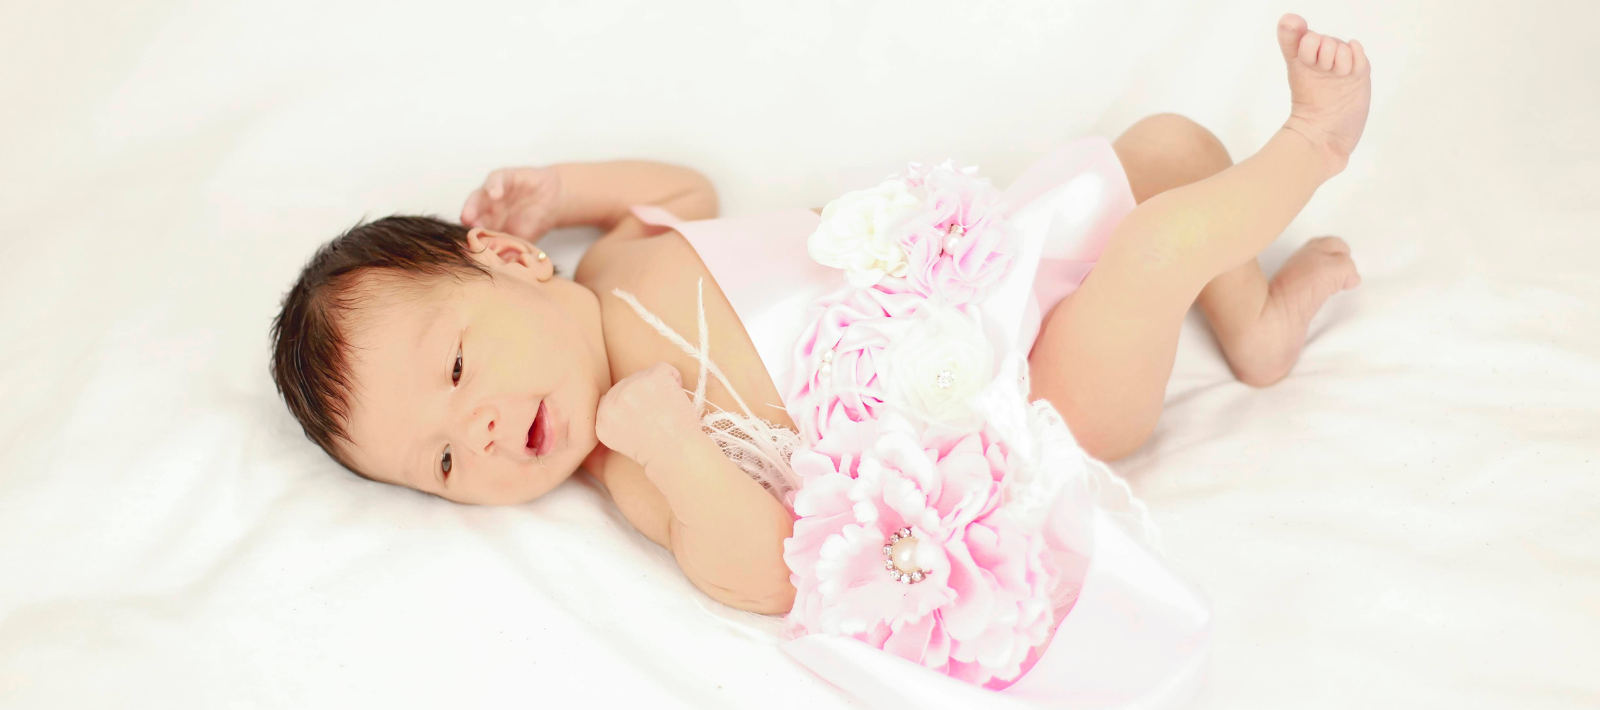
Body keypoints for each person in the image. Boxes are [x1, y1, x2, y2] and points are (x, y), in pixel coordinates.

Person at [269, 14, 1369, 615]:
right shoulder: (628, 453)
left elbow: (688, 189)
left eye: (457, 372)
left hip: (984, 273)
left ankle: (1257, 331)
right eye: (443, 463)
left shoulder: (610, 258)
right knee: (1155, 253)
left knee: (1168, 147)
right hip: (1021, 400)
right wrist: (676, 446)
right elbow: (759, 573)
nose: (481, 434)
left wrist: (565, 190)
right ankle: (1313, 144)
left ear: (515, 260)